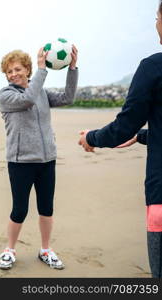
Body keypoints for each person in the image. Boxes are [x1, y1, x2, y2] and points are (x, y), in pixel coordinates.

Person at [78, 3, 162, 279]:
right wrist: (143, 136)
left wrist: (91, 138)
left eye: (156, 17)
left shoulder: (153, 67)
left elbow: (123, 126)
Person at [0, 46, 79, 270]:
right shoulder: (6, 95)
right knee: (20, 209)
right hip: (20, 162)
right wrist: (42, 70)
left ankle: (45, 250)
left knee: (46, 208)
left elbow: (68, 97)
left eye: (17, 69)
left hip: (46, 160)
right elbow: (28, 98)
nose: (13, 74)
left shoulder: (40, 91)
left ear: (27, 69)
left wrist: (72, 69)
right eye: (9, 71)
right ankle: (9, 250)